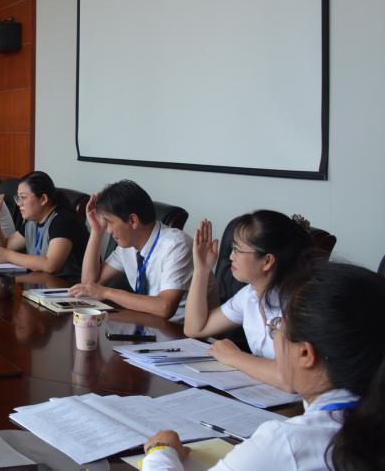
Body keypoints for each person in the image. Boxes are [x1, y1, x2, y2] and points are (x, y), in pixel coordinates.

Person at [141, 262, 385, 471]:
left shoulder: (288, 443)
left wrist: (161, 452)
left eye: (277, 325)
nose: (274, 334)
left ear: (305, 353)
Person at [184, 210, 312, 389]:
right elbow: (195, 328)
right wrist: (202, 270)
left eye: (237, 250)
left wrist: (235, 357)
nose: (230, 256)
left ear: (267, 261)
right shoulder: (250, 294)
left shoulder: (300, 304)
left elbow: (291, 379)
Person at [70, 180, 201, 321]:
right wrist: (96, 231)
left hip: (181, 328)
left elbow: (165, 307)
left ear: (133, 221)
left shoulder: (176, 245)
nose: (108, 230)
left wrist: (106, 292)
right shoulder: (127, 246)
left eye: (109, 222)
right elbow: (89, 284)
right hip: (148, 323)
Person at [0, 171, 88, 280]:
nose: (19, 203)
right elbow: (2, 246)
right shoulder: (33, 221)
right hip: (42, 283)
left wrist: (8, 255)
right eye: (18, 197)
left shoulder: (62, 220)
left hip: (69, 286)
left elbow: (51, 265)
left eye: (23, 197)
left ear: (43, 199)